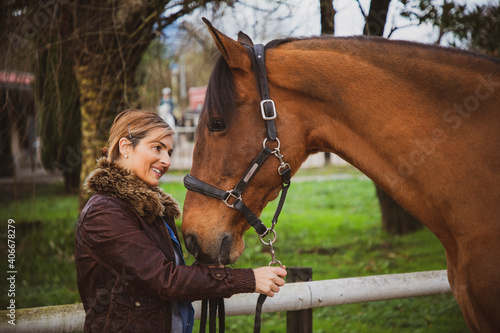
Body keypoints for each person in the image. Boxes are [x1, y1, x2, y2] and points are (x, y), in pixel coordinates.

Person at [75, 109, 286, 333]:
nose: (166, 161)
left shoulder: (152, 209)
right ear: (125, 147)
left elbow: (161, 274)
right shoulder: (105, 212)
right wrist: (249, 279)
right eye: (157, 148)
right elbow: (165, 280)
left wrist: (210, 268)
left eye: (169, 152)